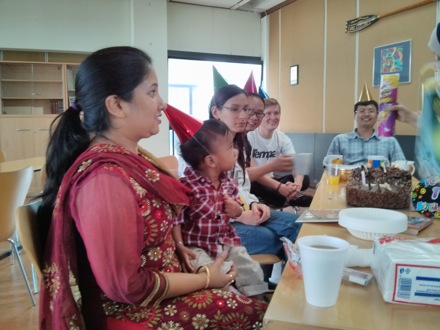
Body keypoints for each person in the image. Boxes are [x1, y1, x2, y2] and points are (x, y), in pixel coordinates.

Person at [37, 47, 267, 329]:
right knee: (261, 318)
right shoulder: (105, 181)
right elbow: (125, 287)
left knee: (260, 308)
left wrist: (178, 247)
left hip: (164, 285)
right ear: (117, 105)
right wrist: (206, 279)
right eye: (152, 92)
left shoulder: (131, 159)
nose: (162, 104)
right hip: (132, 312)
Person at [173, 119, 268, 297]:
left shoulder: (227, 182)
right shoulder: (186, 187)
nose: (236, 151)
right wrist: (179, 245)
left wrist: (237, 211)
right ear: (210, 160)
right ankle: (230, 300)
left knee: (251, 269)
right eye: (230, 148)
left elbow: (238, 209)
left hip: (226, 241)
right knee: (212, 273)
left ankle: (257, 302)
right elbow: (176, 219)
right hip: (196, 246)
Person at [209, 84, 302, 259]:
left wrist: (253, 204)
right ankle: (267, 283)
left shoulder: (238, 143)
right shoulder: (203, 147)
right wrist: (241, 216)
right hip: (216, 223)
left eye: (246, 109)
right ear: (216, 112)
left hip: (245, 209)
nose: (245, 116)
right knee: (273, 239)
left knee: (298, 226)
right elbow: (203, 200)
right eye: (235, 109)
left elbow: (242, 185)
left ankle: (292, 281)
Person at [388, 22, 440, 178]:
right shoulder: (434, 90)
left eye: (438, 57)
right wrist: (409, 116)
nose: (436, 66)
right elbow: (435, 128)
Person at [247, 97, 312, 208]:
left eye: (276, 113)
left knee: (304, 178)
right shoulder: (250, 136)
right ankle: (287, 199)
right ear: (261, 116)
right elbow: (251, 173)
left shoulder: (282, 137)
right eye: (268, 113)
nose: (273, 117)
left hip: (271, 181)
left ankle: (289, 195)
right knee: (255, 186)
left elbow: (297, 163)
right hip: (255, 180)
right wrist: (280, 187)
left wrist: (297, 185)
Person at [326, 99, 406, 165]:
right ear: (355, 115)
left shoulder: (390, 141)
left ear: (377, 115)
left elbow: (402, 167)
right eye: (362, 111)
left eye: (371, 111)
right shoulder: (339, 140)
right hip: (347, 182)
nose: (367, 114)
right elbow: (329, 167)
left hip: (381, 183)